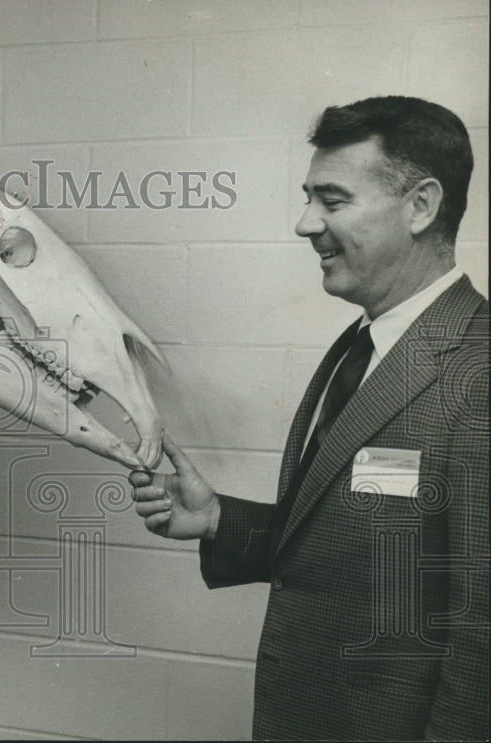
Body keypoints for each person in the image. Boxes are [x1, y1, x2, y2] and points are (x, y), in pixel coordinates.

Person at [131, 96, 488, 740]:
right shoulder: (361, 347)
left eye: (332, 199)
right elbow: (366, 547)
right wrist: (218, 518)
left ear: (421, 206)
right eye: (308, 198)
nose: (304, 223)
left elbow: (482, 627)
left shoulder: (478, 368)